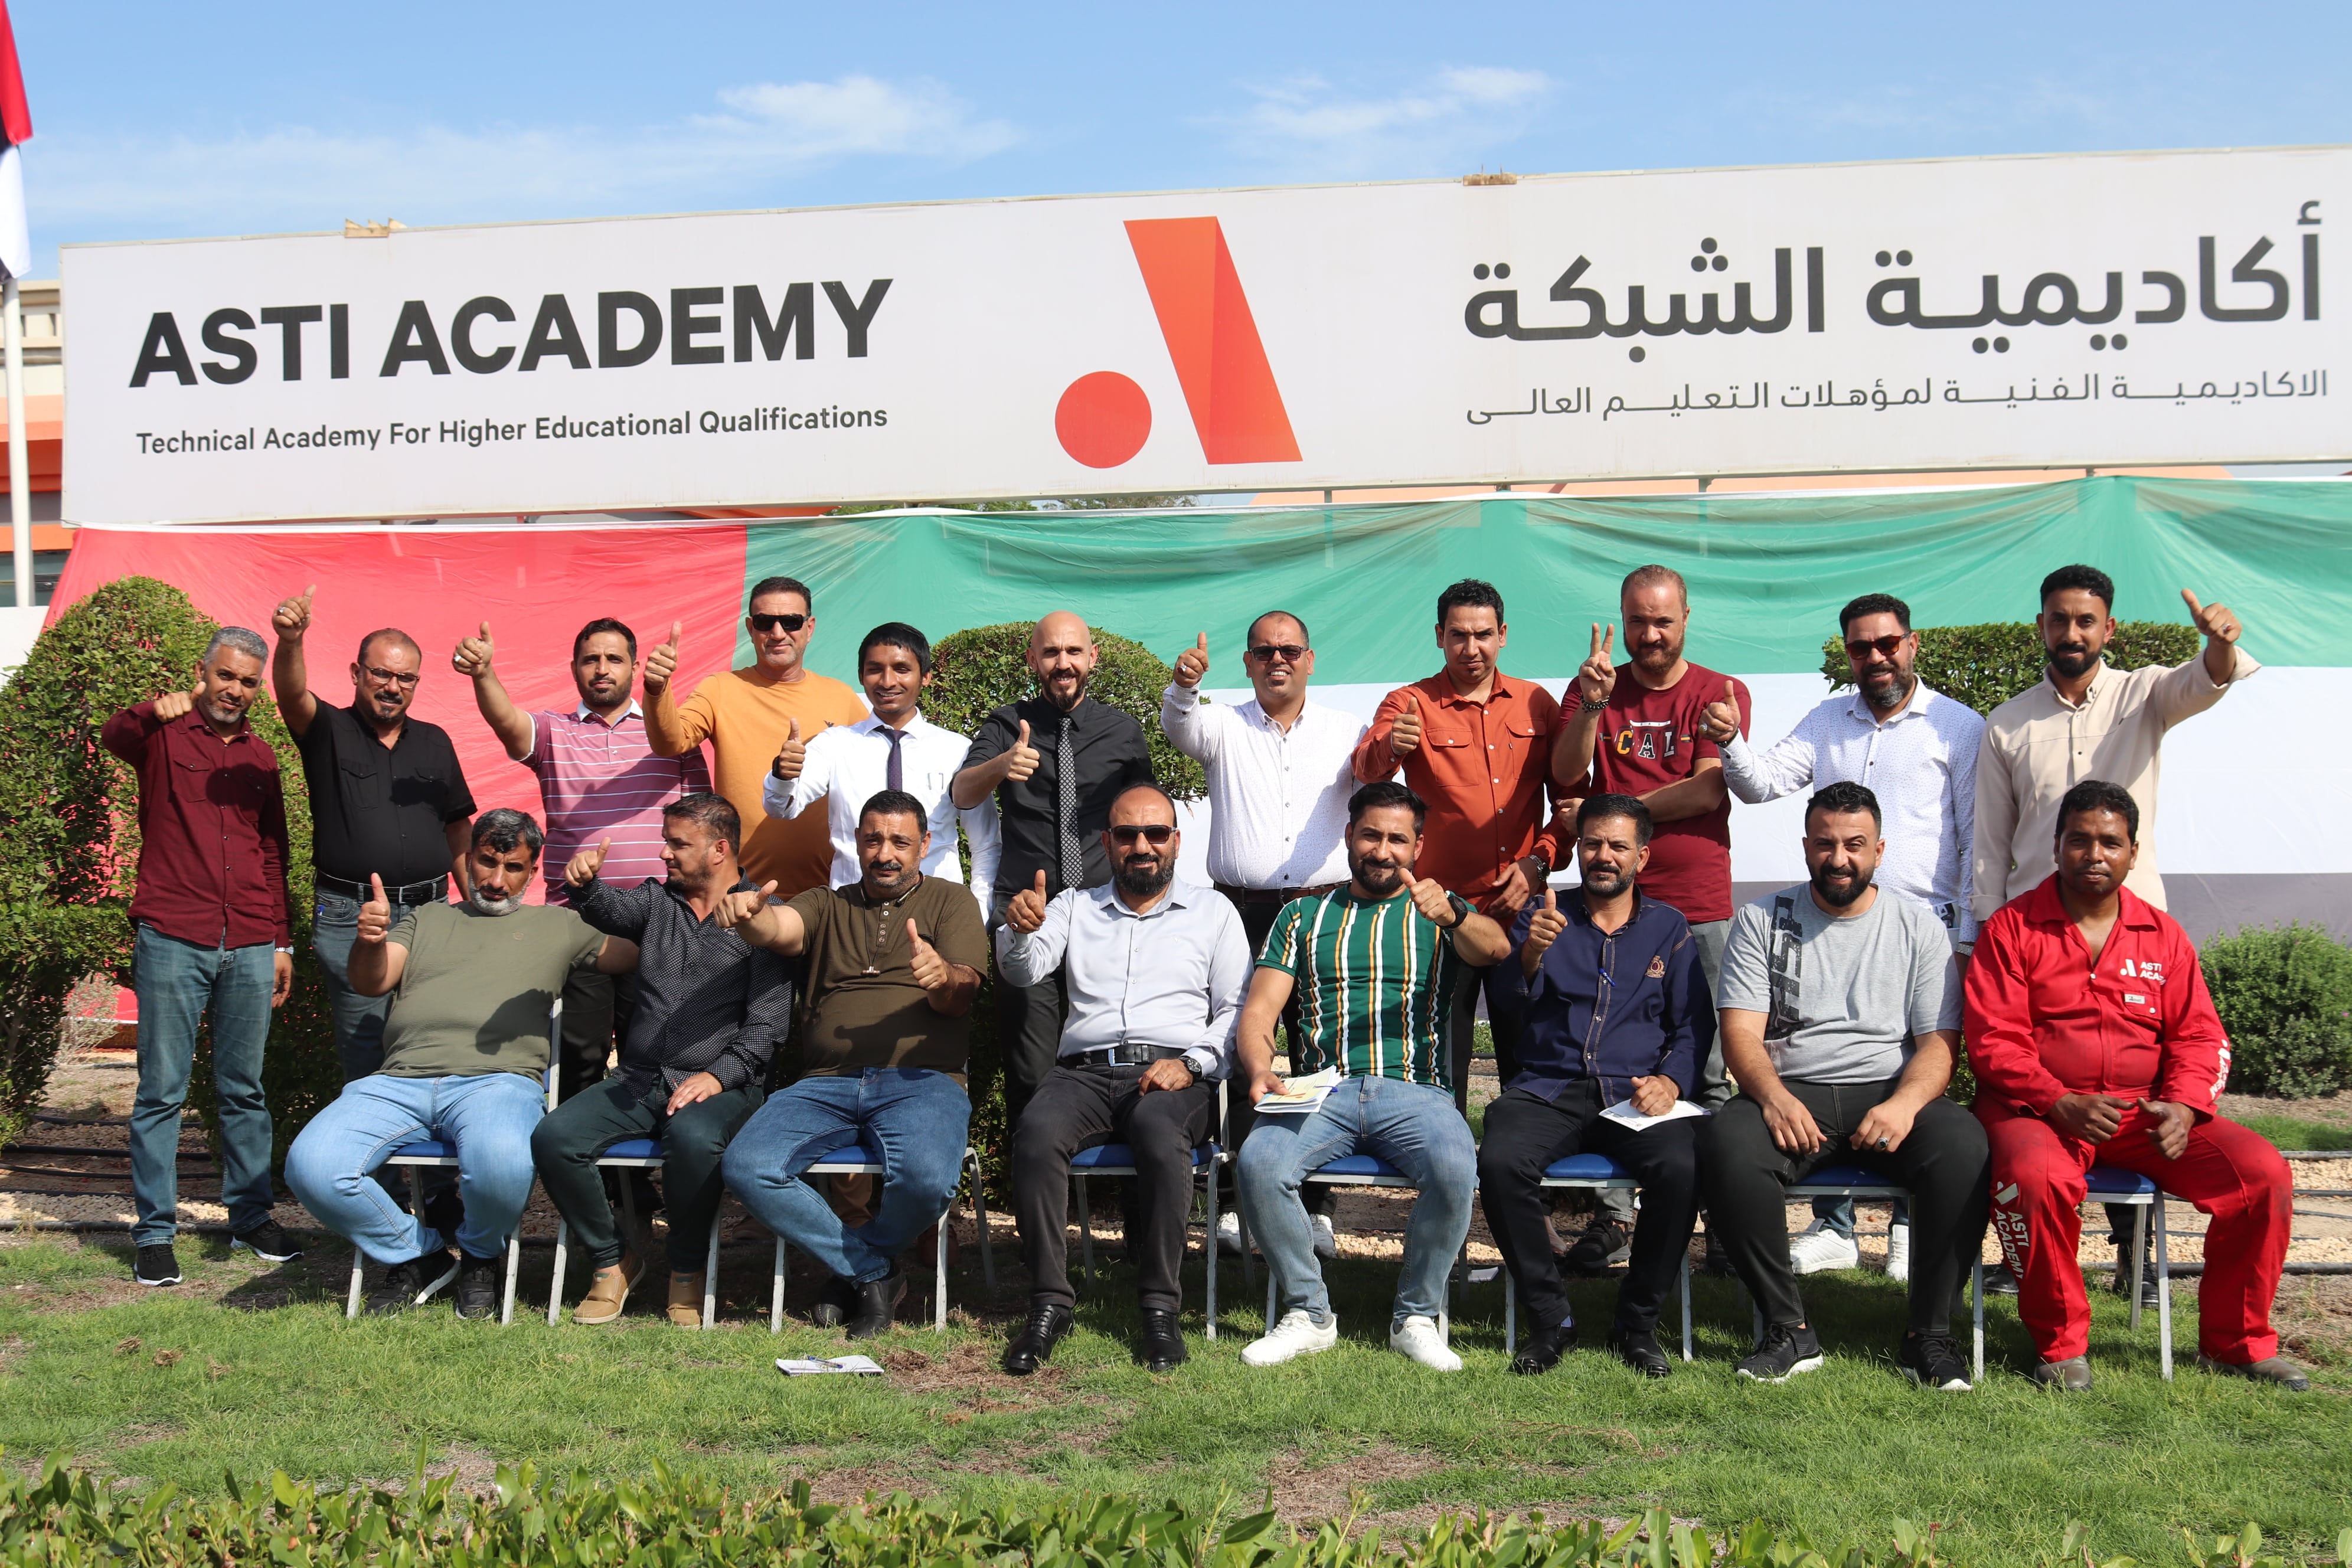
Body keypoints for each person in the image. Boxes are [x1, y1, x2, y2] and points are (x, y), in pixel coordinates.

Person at [1972, 564, 2255, 1303]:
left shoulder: (2145, 694)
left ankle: (2137, 1260)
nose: (2072, 632)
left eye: (2086, 620)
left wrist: (2220, 644)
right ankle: (2033, 1259)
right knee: (2038, 1107)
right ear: (2041, 626)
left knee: (2135, 1078)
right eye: (2059, 620)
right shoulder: (2007, 723)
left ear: (2109, 628)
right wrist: (1986, 936)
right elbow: (1991, 842)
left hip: (2133, 931)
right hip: (2033, 935)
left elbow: (2207, 680)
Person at [1966, 780, 2306, 1391]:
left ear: (2132, 852)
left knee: (2263, 1175)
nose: (2094, 854)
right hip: (2038, 1113)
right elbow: (1993, 1040)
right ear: (2056, 846)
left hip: (2142, 1116)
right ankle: (2060, 1346)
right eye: (2079, 840)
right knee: (2034, 1181)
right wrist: (2057, 1100)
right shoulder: (2012, 928)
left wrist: (2185, 1107)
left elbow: (2200, 1036)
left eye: (2110, 842)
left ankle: (2236, 1343)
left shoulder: (2163, 935)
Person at [1703, 592, 1983, 1282]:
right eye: (1861, 647)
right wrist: (1731, 741)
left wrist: (1967, 936)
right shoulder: (1829, 720)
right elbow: (1762, 784)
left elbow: (1976, 838)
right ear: (1848, 654)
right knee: (1824, 1058)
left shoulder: (1958, 726)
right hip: (1829, 926)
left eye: (1887, 643)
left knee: (1908, 1072)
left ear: (1912, 644)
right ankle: (1834, 1227)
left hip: (1922, 935)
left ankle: (1909, 1227)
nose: (1876, 657)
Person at [283, 810, 638, 1319]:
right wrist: (369, 941)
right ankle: (418, 1255)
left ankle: (480, 1257)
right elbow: (371, 981)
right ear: (468, 859)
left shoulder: (559, 926)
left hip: (496, 1084)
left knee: (503, 1165)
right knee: (312, 1166)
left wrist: (595, 893)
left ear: (534, 870)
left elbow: (643, 952)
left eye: (513, 868)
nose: (497, 881)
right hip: (398, 1082)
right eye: (487, 862)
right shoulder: (426, 919)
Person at [1698, 782, 1988, 1391]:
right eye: (1825, 843)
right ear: (1806, 846)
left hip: (1887, 1090)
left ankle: (1930, 1336)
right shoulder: (1761, 920)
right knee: (1727, 1142)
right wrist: (1773, 1098)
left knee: (1964, 1144)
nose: (1839, 858)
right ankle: (1789, 1328)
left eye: (1855, 845)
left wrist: (1905, 1104)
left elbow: (1939, 1043)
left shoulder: (1918, 927)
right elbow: (1741, 1034)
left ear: (1879, 850)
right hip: (1792, 1088)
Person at [1233, 781, 1512, 1371]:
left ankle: (1416, 1317)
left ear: (1418, 847)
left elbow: (1497, 949)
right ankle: (1309, 1313)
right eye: (1370, 835)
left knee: (1455, 1167)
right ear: (1348, 837)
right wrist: (1259, 1068)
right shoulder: (1303, 915)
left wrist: (1456, 914)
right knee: (1258, 1162)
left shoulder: (1438, 909)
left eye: (1397, 839)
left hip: (1417, 1089)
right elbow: (1258, 1013)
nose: (1382, 850)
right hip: (1320, 1090)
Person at [996, 783, 1250, 1376]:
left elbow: (1237, 1011)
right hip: (1083, 1074)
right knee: (1035, 1134)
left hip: (1174, 1071)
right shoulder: (1074, 907)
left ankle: (1160, 1309)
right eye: (1127, 834)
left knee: (1162, 1135)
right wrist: (1020, 931)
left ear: (1176, 842)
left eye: (1155, 833)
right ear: (1107, 843)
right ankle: (1049, 1304)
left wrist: (1192, 1064)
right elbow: (1023, 970)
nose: (1142, 846)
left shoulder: (1214, 913)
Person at [717, 790, 990, 1338]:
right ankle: (873, 1271)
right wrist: (751, 917)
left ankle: (855, 1270)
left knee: (926, 1181)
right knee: (748, 1165)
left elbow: (963, 993)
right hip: (826, 1084)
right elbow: (780, 928)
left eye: (900, 842)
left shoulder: (951, 901)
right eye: (873, 840)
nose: (885, 853)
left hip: (923, 1082)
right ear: (857, 843)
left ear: (925, 845)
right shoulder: (826, 903)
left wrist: (942, 978)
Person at [1550, 566, 1750, 1275]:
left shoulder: (1719, 692)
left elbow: (1706, 790)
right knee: (1616, 1059)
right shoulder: (1593, 686)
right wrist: (1590, 708)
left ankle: (1723, 1221)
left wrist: (1611, 815)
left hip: (1698, 903)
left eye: (1663, 620)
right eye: (1638, 620)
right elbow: (1566, 775)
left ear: (1686, 618)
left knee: (1712, 1069)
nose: (1650, 634)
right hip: (1611, 908)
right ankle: (1615, 1216)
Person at [531, 794, 792, 1328]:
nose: (664, 853)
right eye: (666, 842)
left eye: (678, 844)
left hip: (725, 1086)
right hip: (639, 1079)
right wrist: (584, 883)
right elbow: (608, 907)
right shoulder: (657, 902)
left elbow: (768, 1027)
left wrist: (718, 1076)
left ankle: (687, 1270)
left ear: (720, 850)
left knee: (693, 1139)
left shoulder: (761, 920)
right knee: (554, 1138)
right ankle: (612, 1261)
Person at [1478, 794, 1711, 1378]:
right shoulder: (1543, 914)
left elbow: (1693, 1025)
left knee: (1681, 1168)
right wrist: (1529, 956)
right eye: (1592, 844)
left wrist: (1670, 1080)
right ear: (1578, 849)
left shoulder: (1668, 928)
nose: (1603, 856)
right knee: (1501, 1161)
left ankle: (1637, 1323)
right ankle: (1550, 1318)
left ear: (1642, 856)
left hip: (1633, 1094)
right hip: (1549, 1086)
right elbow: (1506, 1005)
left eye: (1617, 846)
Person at [102, 628, 302, 1287]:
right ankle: (155, 1235)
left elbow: (271, 852)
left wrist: (280, 940)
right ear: (203, 672)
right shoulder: (161, 735)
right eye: (226, 676)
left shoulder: (262, 757)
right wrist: (151, 709)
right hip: (173, 935)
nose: (235, 690)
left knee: (244, 1089)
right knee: (161, 1092)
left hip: (249, 940)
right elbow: (114, 736)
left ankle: (251, 1218)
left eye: (248, 682)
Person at [1160, 609, 1361, 1260]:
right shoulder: (1222, 724)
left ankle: (1316, 1204)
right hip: (1240, 913)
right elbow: (1179, 726)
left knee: (1317, 1053)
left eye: (1290, 650)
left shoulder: (1346, 732)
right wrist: (1185, 684)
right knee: (1242, 1051)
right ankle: (1233, 1198)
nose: (1278, 660)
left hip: (1324, 911)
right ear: (1247, 662)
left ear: (1310, 660)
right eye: (1264, 651)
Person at [453, 615, 711, 1103]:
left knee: (652, 1059)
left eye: (614, 659)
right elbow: (508, 723)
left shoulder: (671, 735)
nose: (602, 669)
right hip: (578, 924)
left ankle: (635, 1155)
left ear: (635, 667)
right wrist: (483, 674)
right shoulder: (554, 732)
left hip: (659, 922)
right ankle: (577, 1149)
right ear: (574, 668)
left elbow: (702, 831)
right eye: (591, 659)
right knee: (580, 1060)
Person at [1352, 580, 1562, 1097]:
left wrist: (1539, 862)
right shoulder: (1410, 702)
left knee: (1530, 1057)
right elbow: (1366, 768)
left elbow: (1571, 805)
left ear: (1503, 634)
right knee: (1443, 1062)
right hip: (1442, 915)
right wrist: (1391, 744)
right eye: (1458, 635)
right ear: (1439, 636)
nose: (1472, 648)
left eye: (1483, 635)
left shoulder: (1537, 703)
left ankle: (1520, 1147)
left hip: (1520, 912)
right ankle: (1447, 1144)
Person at [952, 612, 1156, 1125]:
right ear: (1032, 660)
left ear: (1092, 658)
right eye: (1050, 653)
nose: (1062, 663)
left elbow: (1147, 815)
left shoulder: (1122, 731)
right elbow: (962, 792)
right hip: (1027, 915)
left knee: (1117, 1062)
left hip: (1105, 916)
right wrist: (1001, 766)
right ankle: (1035, 1174)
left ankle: (1108, 1166)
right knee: (1031, 1071)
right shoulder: (1007, 725)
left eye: (1073, 652)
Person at [270, 587, 476, 1085]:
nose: (392, 686)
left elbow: (457, 828)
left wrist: (478, 908)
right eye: (381, 673)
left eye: (406, 678)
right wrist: (292, 641)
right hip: (352, 917)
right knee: (366, 1057)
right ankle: (373, 1139)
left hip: (430, 917)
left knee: (430, 1047)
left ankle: (431, 1141)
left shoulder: (435, 741)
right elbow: (291, 696)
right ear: (356, 673)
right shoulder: (328, 730)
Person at [643, 576, 867, 898]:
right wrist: (656, 688)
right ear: (751, 628)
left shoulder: (842, 697)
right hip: (740, 896)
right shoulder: (720, 689)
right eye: (765, 622)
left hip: (828, 895)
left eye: (790, 622)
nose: (777, 633)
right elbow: (670, 742)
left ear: (809, 627)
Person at [765, 621, 1000, 910]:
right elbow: (781, 808)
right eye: (875, 669)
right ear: (861, 676)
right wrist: (783, 775)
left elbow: (986, 844)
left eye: (901, 669)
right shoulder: (834, 745)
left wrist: (978, 914)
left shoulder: (958, 751)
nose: (887, 681)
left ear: (926, 676)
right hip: (852, 913)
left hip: (936, 914)